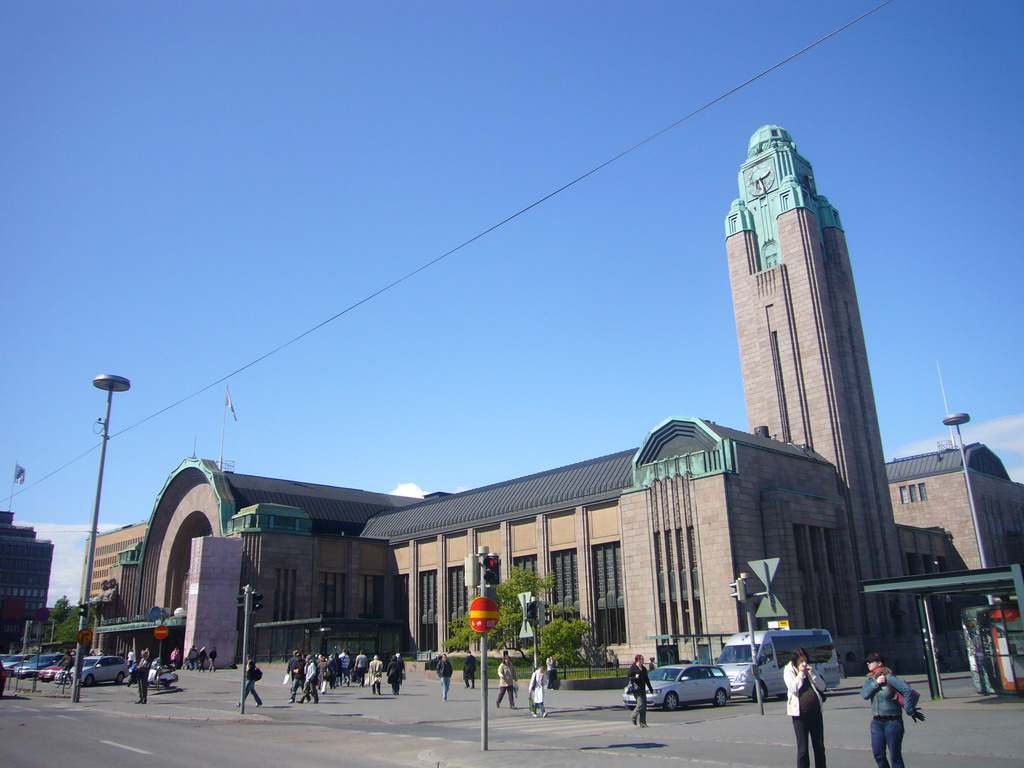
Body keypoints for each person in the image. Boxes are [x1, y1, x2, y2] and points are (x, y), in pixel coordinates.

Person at [861, 652, 923, 768]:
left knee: (895, 756)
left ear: (879, 663)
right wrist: (876, 683)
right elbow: (864, 695)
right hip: (877, 722)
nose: (868, 663)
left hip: (893, 722)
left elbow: (907, 691)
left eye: (871, 661)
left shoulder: (889, 677)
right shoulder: (870, 680)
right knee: (878, 754)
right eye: (867, 662)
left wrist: (909, 710)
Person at [785, 646, 827, 768]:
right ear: (795, 661)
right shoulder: (789, 670)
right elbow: (793, 688)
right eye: (801, 661)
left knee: (818, 746)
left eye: (805, 661)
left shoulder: (811, 670)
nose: (804, 663)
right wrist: (801, 674)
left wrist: (812, 673)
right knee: (802, 748)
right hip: (799, 715)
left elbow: (822, 687)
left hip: (815, 713)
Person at [628, 653, 654, 727]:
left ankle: (643, 722)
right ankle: (633, 716)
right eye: (642, 659)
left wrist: (650, 688)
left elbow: (646, 679)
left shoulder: (643, 668)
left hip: (642, 688)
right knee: (640, 705)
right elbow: (629, 678)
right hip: (636, 689)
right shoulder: (633, 668)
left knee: (644, 706)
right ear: (638, 659)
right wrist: (635, 678)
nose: (643, 660)